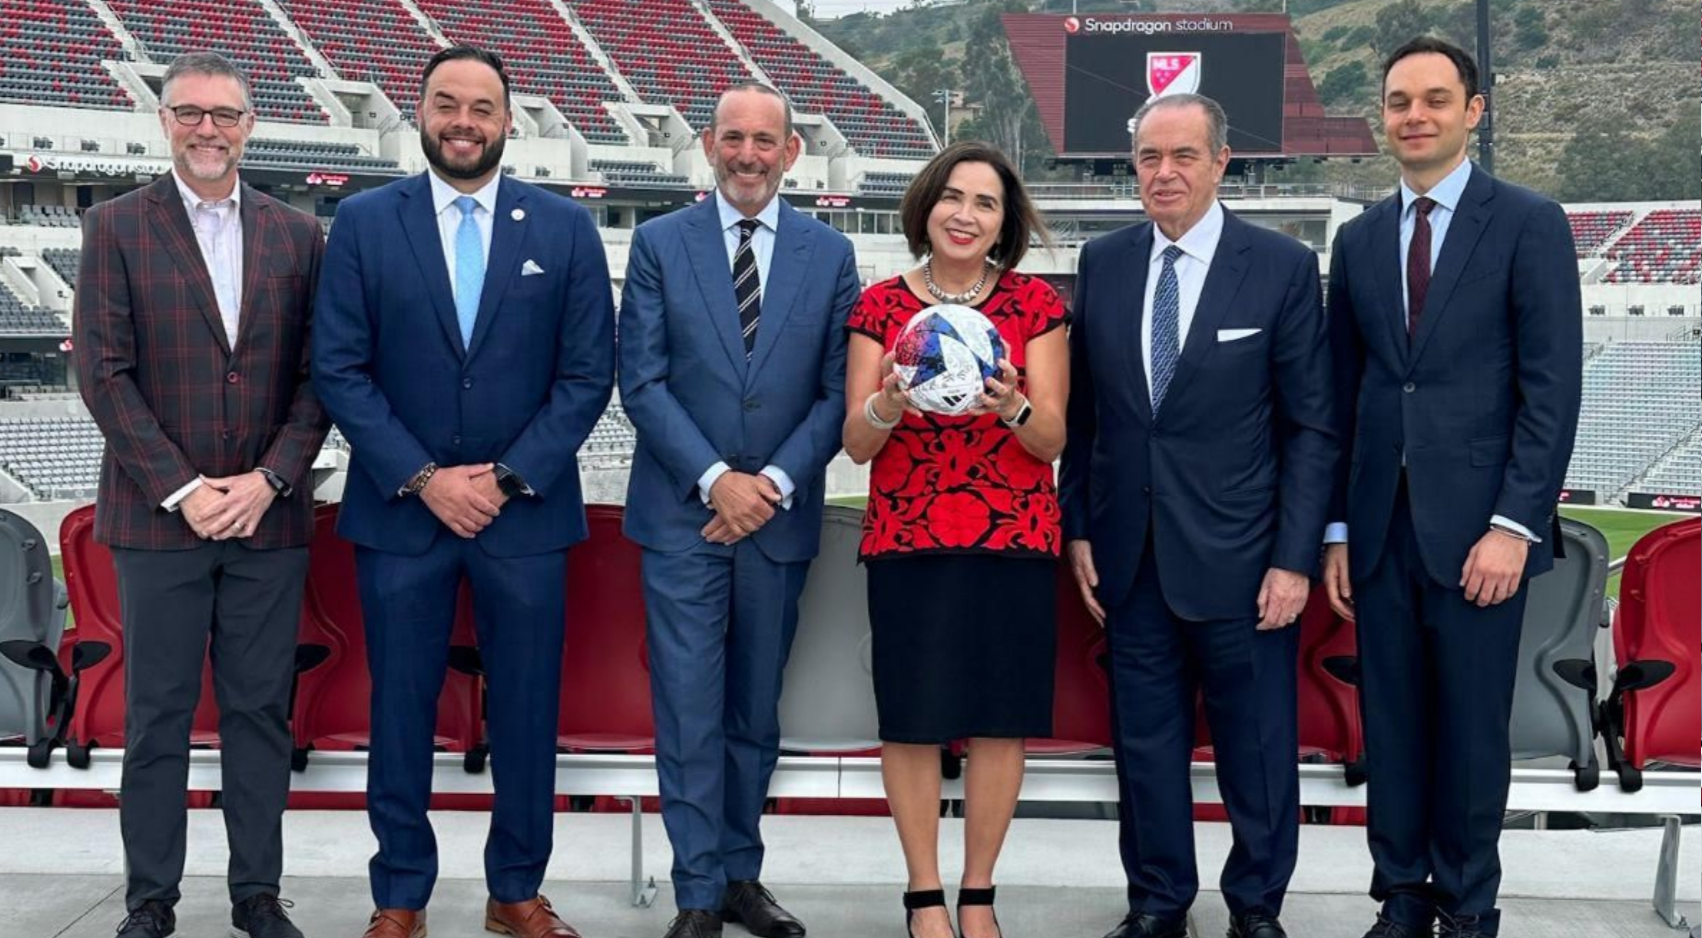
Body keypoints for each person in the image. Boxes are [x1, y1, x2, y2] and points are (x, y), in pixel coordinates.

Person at [312, 45, 615, 938]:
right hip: (403, 513)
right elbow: (339, 366)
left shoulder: (562, 228)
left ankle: (515, 890)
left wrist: (507, 477)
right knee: (399, 709)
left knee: (527, 713)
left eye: (482, 106)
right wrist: (423, 478)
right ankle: (399, 895)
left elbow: (586, 374)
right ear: (420, 110)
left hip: (523, 516)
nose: (464, 121)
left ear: (508, 120)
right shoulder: (365, 222)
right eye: (447, 103)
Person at [1058, 93, 1338, 938]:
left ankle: (1255, 907)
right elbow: (1088, 420)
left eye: (1183, 155)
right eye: (1149, 157)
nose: (1164, 172)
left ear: (1222, 162)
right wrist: (1078, 526)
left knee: (1257, 753)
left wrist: (1294, 559)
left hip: (1248, 565)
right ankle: (1157, 906)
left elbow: (1312, 428)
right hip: (1129, 561)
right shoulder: (1101, 263)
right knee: (1145, 755)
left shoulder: (1280, 269)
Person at [1322, 37, 1582, 938]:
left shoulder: (1528, 222)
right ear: (1383, 116)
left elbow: (1552, 389)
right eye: (1399, 101)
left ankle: (1469, 904)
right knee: (1390, 726)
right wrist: (1338, 532)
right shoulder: (1356, 242)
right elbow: (1344, 397)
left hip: (1482, 533)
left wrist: (1515, 522)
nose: (1415, 116)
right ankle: (1401, 894)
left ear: (1474, 111)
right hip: (1381, 530)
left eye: (1436, 99)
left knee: (1472, 732)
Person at [73, 51, 327, 938]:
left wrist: (267, 480)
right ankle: (152, 901)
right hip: (157, 522)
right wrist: (184, 488)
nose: (208, 129)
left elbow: (316, 377)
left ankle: (257, 894)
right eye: (191, 113)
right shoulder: (113, 228)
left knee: (260, 713)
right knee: (157, 719)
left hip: (269, 518)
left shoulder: (299, 236)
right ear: (165, 121)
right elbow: (105, 376)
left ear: (250, 124)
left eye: (225, 114)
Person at [619, 82, 858, 938]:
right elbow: (640, 381)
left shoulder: (829, 256)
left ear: (791, 151)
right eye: (733, 139)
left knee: (755, 712)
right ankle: (694, 893)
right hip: (685, 517)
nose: (748, 155)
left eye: (765, 140)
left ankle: (738, 878)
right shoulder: (657, 243)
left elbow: (838, 393)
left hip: (779, 518)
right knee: (688, 708)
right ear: (708, 145)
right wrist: (717, 479)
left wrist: (770, 487)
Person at [840, 140, 1066, 938]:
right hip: (909, 536)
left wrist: (1009, 404)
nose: (966, 215)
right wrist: (889, 406)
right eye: (953, 198)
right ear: (926, 206)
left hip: (1014, 536)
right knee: (912, 716)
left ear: (1004, 223)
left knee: (1001, 718)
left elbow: (1050, 440)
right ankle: (923, 894)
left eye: (986, 204)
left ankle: (978, 893)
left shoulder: (1035, 305)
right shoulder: (879, 308)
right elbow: (857, 444)